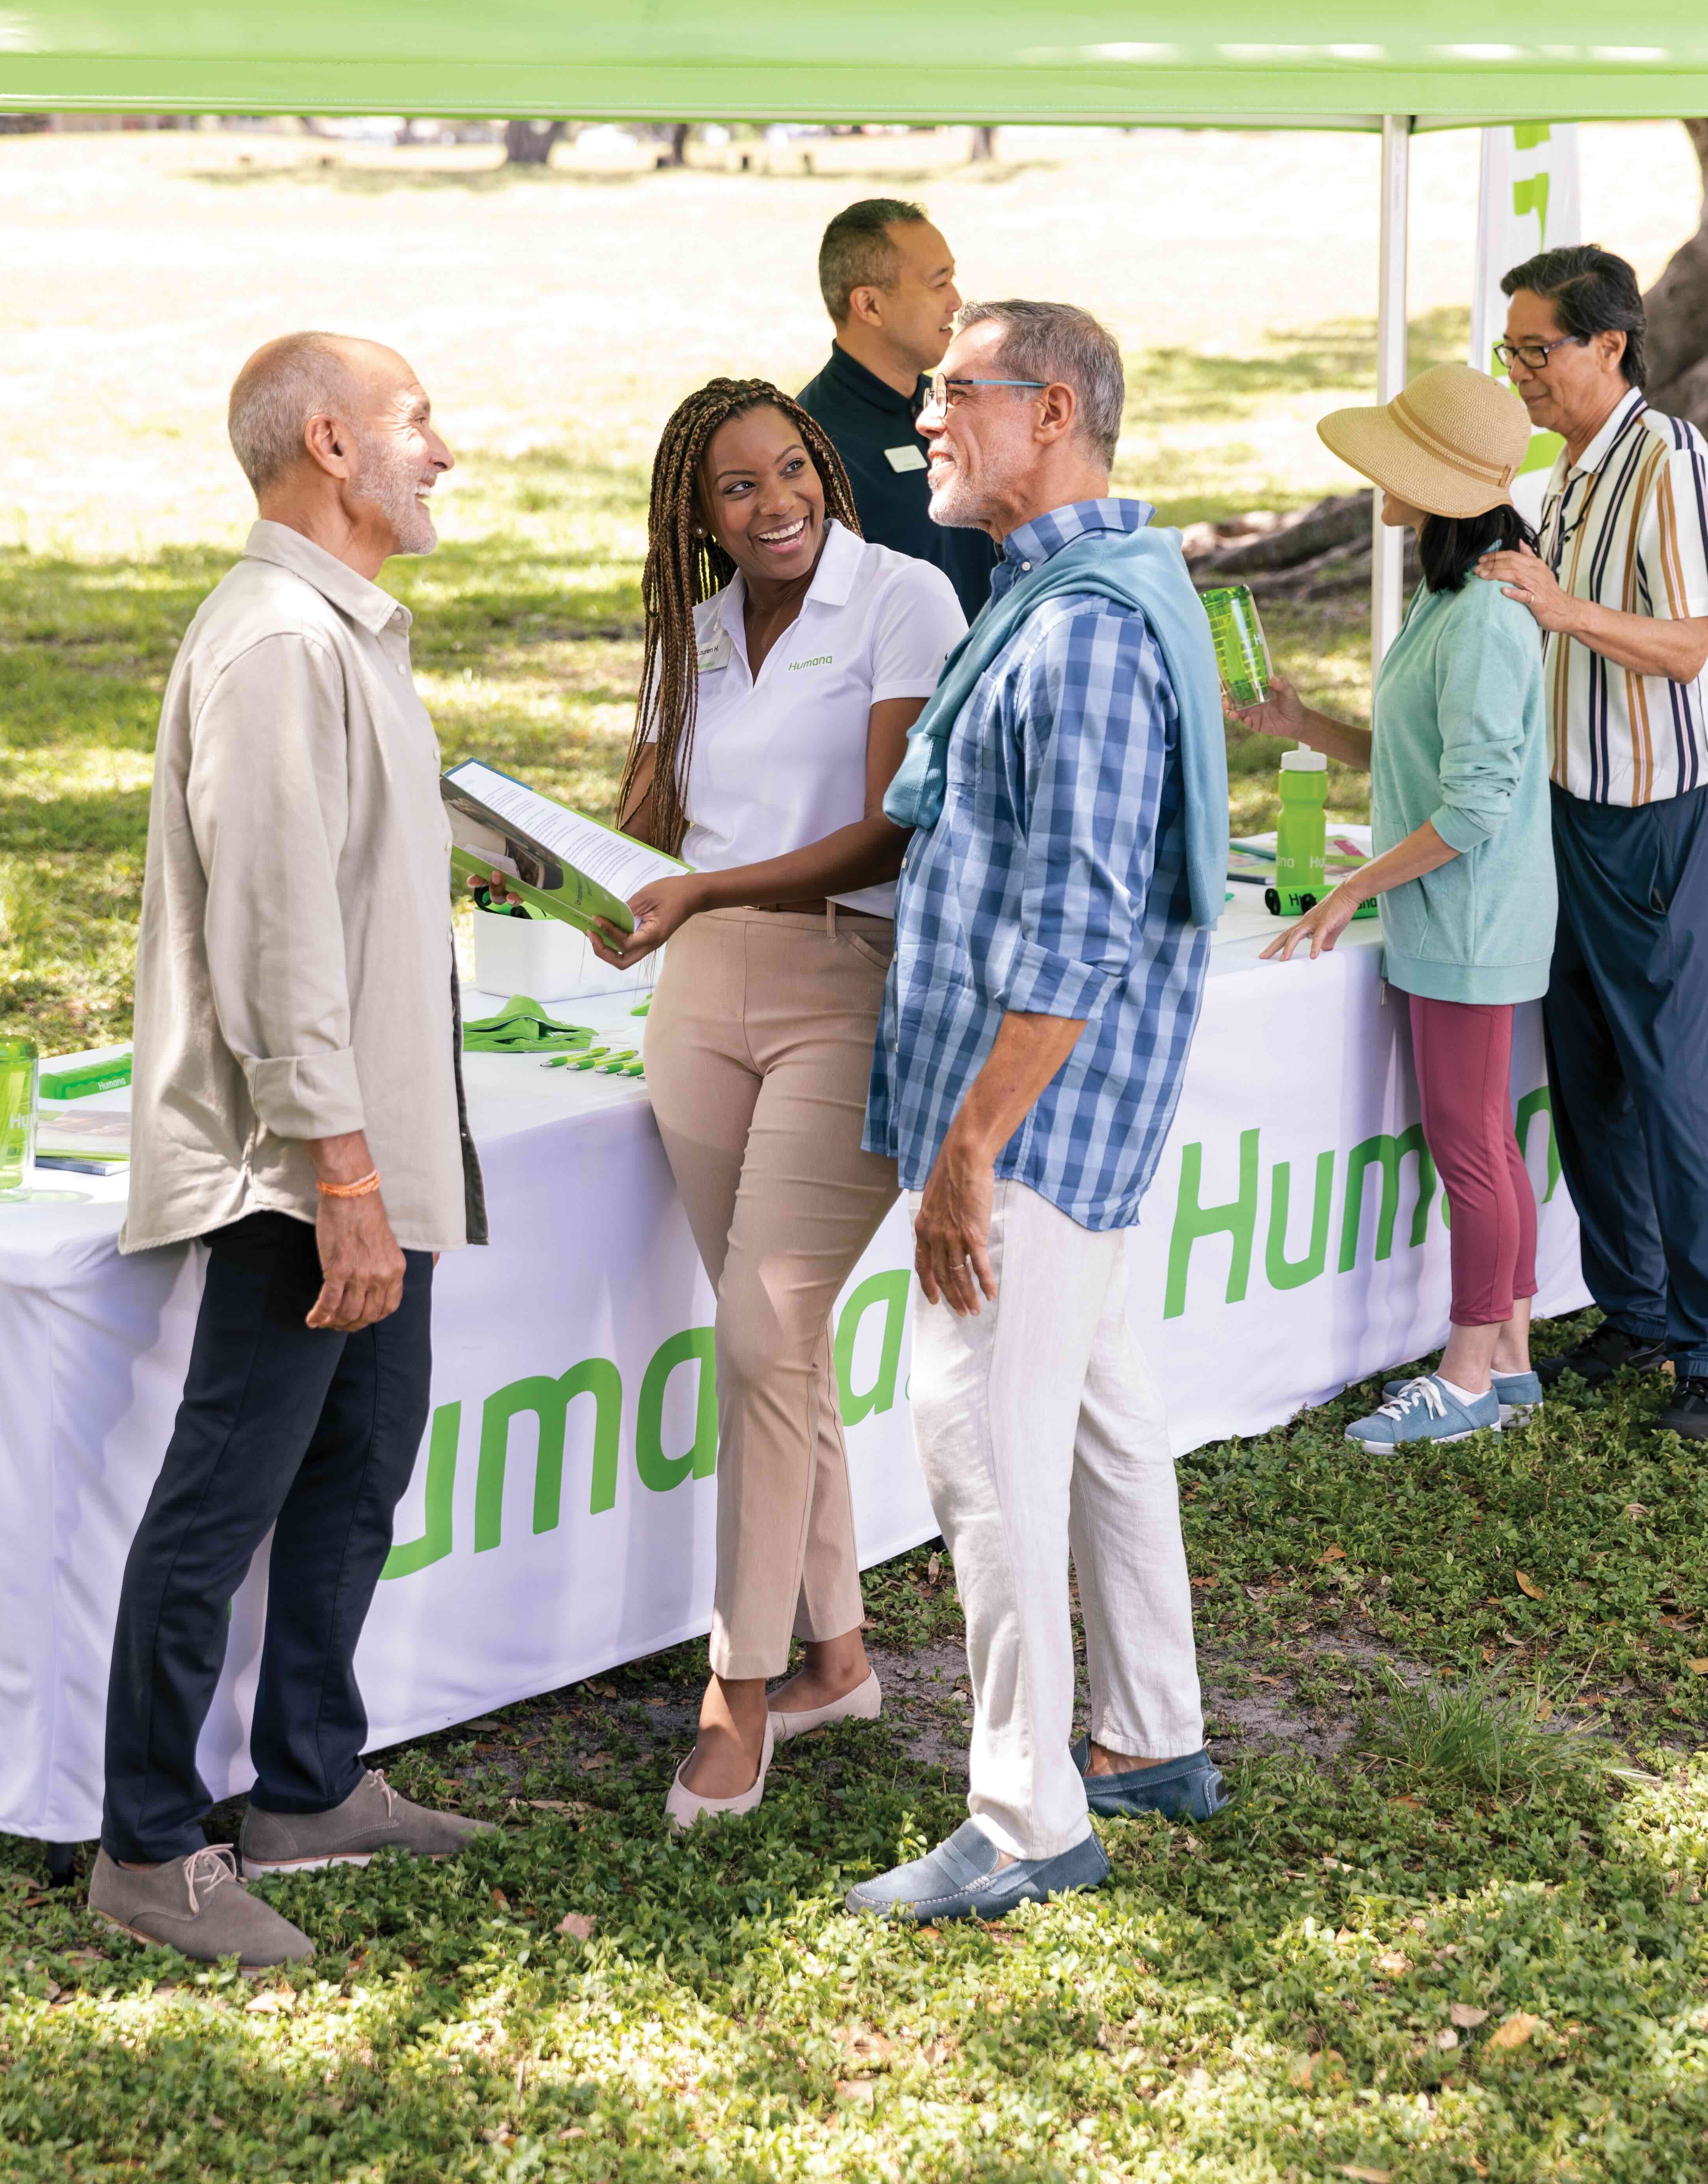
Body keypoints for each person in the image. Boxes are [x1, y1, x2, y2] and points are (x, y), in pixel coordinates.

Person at [89, 333, 491, 1970]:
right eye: (416, 422)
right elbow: (271, 937)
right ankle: (145, 1847)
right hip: (298, 1165)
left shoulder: (348, 636)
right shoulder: (272, 641)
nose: (443, 451)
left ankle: (309, 1790)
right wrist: (338, 1172)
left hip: (371, 1151)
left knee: (355, 1470)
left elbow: (356, 876)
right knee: (225, 1493)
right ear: (329, 443)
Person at [842, 300, 1230, 1927]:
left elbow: (1077, 933)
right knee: (1097, 1412)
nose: (921, 422)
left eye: (951, 396)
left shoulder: (1075, 634)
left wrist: (970, 1146)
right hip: (1069, 1109)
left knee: (983, 1448)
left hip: (1038, 1123)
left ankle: (1024, 1820)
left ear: (1048, 411)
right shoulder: (1081, 593)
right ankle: (1150, 1740)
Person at [592, 376, 966, 1826]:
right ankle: (843, 1655)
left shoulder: (901, 599)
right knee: (776, 1339)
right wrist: (543, 861)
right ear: (696, 512)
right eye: (737, 485)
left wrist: (697, 887)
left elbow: (885, 826)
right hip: (698, 997)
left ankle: (738, 1686)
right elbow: (647, 815)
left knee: (761, 1321)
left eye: (793, 465)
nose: (777, 498)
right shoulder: (684, 639)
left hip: (848, 979)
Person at [1246, 365, 1557, 1449]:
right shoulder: (1452, 599)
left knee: (1471, 1150)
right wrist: (1306, 724)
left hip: (1468, 923)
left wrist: (1353, 886)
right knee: (1488, 1147)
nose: (1376, 479)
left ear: (1429, 486)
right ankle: (1510, 1356)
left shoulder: (1481, 619)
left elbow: (1473, 808)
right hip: (1460, 917)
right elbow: (1428, 767)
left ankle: (1466, 1375)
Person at [1475, 245, 1708, 1445]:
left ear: (1605, 346)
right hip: (1559, 813)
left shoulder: (1660, 456)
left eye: (1533, 348)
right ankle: (1632, 1310)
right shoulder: (1564, 469)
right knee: (1589, 1081)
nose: (1514, 369)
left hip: (1647, 815)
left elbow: (1686, 643)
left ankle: (1704, 1348)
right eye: (1506, 348)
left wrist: (1558, 604)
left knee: (1670, 1086)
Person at [798, 198, 996, 619]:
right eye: (938, 283)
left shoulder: (967, 406)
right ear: (869, 306)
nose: (956, 301)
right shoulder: (807, 446)